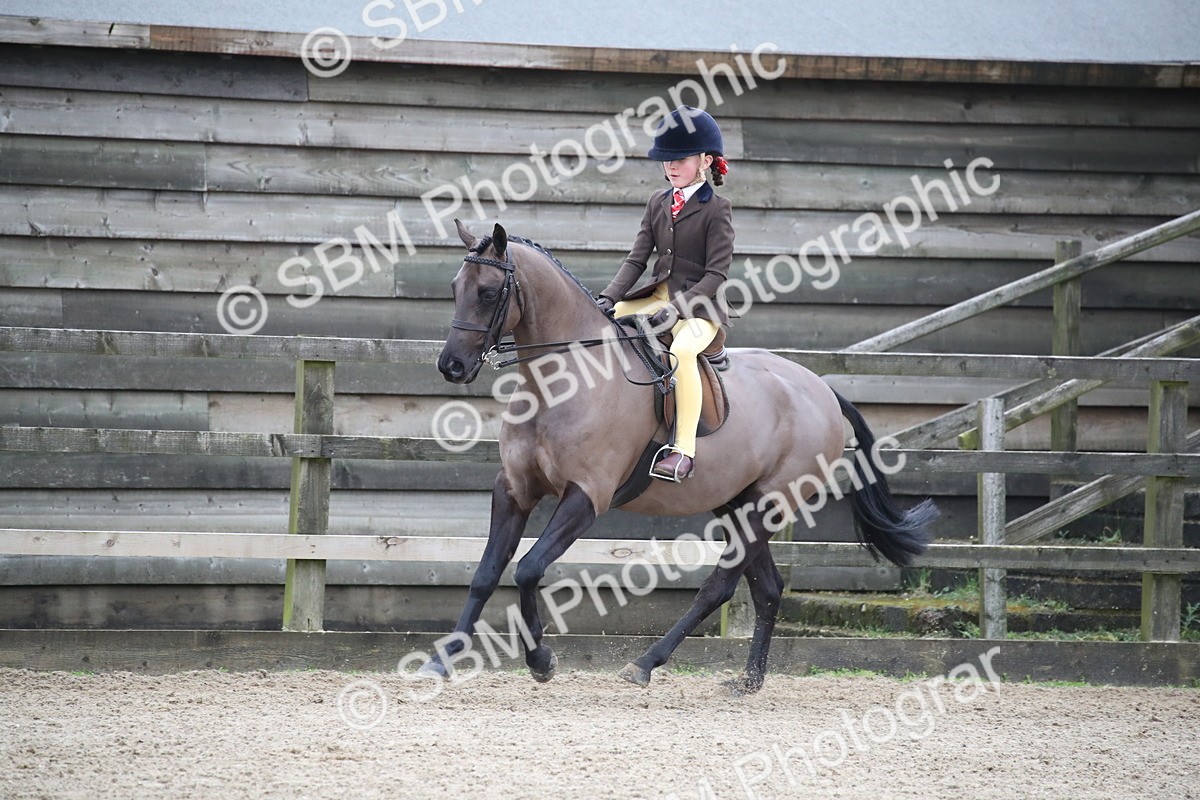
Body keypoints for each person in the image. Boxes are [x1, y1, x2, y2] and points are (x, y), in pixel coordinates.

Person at [596, 106, 734, 482]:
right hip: (657, 294)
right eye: (666, 161)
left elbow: (716, 273)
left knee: (681, 350)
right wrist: (609, 297)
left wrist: (677, 311)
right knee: (607, 322)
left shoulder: (716, 210)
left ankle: (683, 450)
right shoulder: (657, 202)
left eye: (680, 160)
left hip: (700, 306)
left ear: (706, 161)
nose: (670, 167)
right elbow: (637, 257)